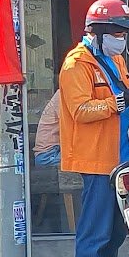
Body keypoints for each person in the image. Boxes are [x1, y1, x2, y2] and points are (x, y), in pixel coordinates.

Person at [59, 0, 129, 257]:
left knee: (115, 236)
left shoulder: (113, 60)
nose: (122, 39)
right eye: (118, 32)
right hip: (97, 165)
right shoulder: (76, 65)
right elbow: (80, 110)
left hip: (123, 159)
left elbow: (124, 95)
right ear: (98, 31)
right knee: (94, 238)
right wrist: (118, 103)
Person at [32, 86, 80, 235]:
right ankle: (76, 225)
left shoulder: (64, 95)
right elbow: (72, 126)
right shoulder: (64, 95)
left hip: (53, 152)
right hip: (48, 155)